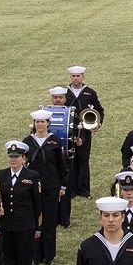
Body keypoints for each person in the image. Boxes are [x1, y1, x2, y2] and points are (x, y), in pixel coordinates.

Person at [0, 141, 43, 265]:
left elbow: (38, 204)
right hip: (7, 226)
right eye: (11, 157)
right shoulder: (1, 175)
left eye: (16, 157)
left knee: (24, 264)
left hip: (25, 226)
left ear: (24, 158)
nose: (13, 160)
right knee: (9, 263)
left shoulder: (32, 176)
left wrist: (38, 227)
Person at [25, 109, 68, 265]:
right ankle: (35, 256)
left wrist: (62, 185)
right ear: (34, 124)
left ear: (48, 123)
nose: (40, 125)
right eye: (37, 122)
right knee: (34, 221)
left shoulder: (55, 141)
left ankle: (48, 256)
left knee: (49, 221)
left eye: (43, 122)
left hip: (51, 187)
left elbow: (61, 165)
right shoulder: (27, 142)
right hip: (33, 188)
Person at [65, 66, 105, 198]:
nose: (76, 78)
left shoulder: (90, 92)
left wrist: (97, 124)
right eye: (73, 76)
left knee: (83, 159)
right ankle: (71, 189)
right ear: (70, 77)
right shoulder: (65, 92)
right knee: (70, 159)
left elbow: (99, 109)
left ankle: (83, 189)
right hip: (68, 130)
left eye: (78, 76)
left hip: (85, 130)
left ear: (83, 77)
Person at [48, 86, 76, 228]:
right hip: (49, 156)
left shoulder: (71, 113)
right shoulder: (44, 114)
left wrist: (79, 139)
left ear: (65, 99)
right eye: (55, 97)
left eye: (61, 97)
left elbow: (77, 129)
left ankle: (64, 219)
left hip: (66, 155)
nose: (58, 100)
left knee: (66, 187)